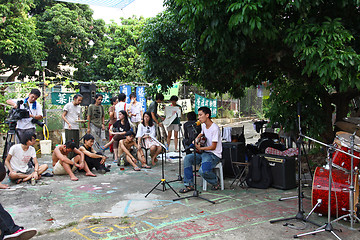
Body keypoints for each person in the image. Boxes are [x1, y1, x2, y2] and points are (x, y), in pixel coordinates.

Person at [179, 107, 222, 193]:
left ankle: (216, 181)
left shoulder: (215, 128)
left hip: (213, 155)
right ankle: (189, 184)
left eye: (200, 115)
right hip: (204, 153)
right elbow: (201, 133)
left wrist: (200, 148)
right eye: (198, 115)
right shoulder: (203, 125)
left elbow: (213, 147)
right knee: (187, 158)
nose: (198, 117)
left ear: (207, 115)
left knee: (203, 171)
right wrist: (196, 139)